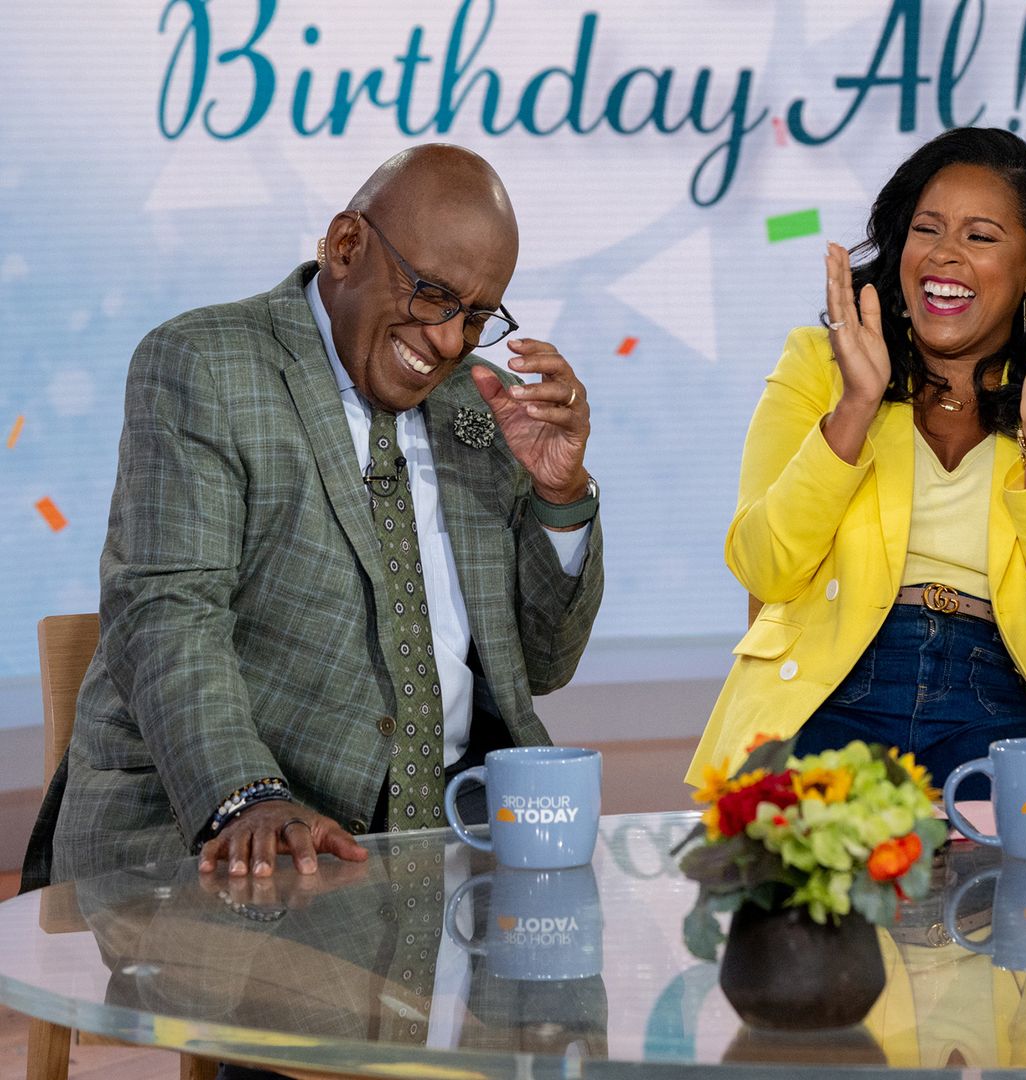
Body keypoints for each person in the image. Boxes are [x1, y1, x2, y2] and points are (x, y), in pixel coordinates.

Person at [23, 144, 605, 890]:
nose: (450, 340)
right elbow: (166, 616)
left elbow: (544, 666)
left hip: (451, 835)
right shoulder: (206, 364)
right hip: (226, 835)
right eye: (432, 294)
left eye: (478, 315)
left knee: (584, 986)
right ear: (346, 245)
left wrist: (562, 497)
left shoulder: (481, 400)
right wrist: (246, 798)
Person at [690, 127, 1026, 791]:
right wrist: (855, 410)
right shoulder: (817, 363)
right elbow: (764, 565)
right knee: (809, 878)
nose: (945, 255)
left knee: (1009, 892)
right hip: (834, 689)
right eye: (927, 229)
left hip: (997, 692)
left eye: (980, 236)